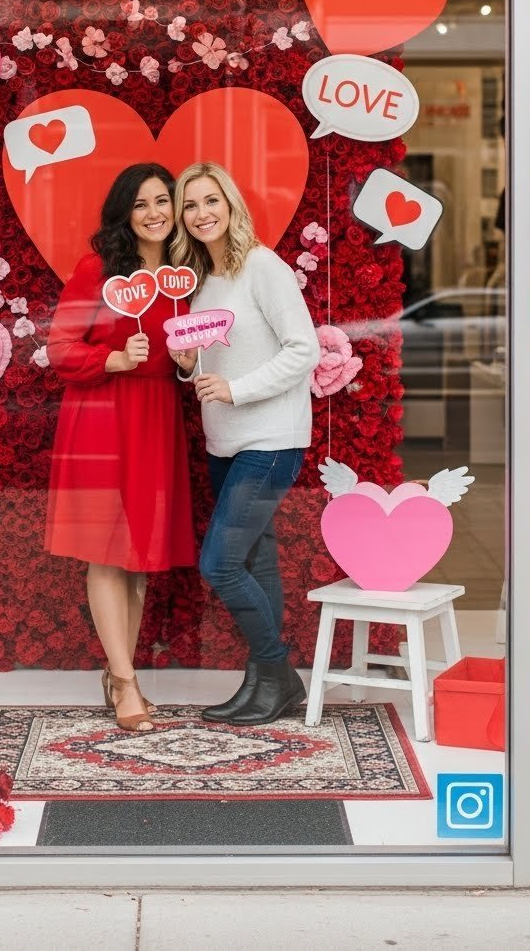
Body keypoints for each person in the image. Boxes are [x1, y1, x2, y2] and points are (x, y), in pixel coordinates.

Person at [45, 163, 196, 733]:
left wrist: (188, 362)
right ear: (123, 213)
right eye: (141, 204)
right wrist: (111, 358)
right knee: (108, 553)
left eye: (164, 201)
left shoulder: (187, 273)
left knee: (140, 562)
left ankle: (117, 673)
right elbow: (60, 346)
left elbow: (195, 343)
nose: (155, 213)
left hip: (157, 416)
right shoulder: (98, 269)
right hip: (104, 417)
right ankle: (127, 682)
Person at [170, 161, 319, 725]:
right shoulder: (202, 280)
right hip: (225, 441)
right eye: (191, 204)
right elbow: (217, 358)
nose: (201, 213)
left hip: (271, 438)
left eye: (212, 201)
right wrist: (190, 367)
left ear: (231, 206)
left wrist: (237, 389)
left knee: (221, 563)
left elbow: (302, 349)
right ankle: (263, 686)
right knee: (257, 562)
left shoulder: (263, 267)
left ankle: (278, 671)